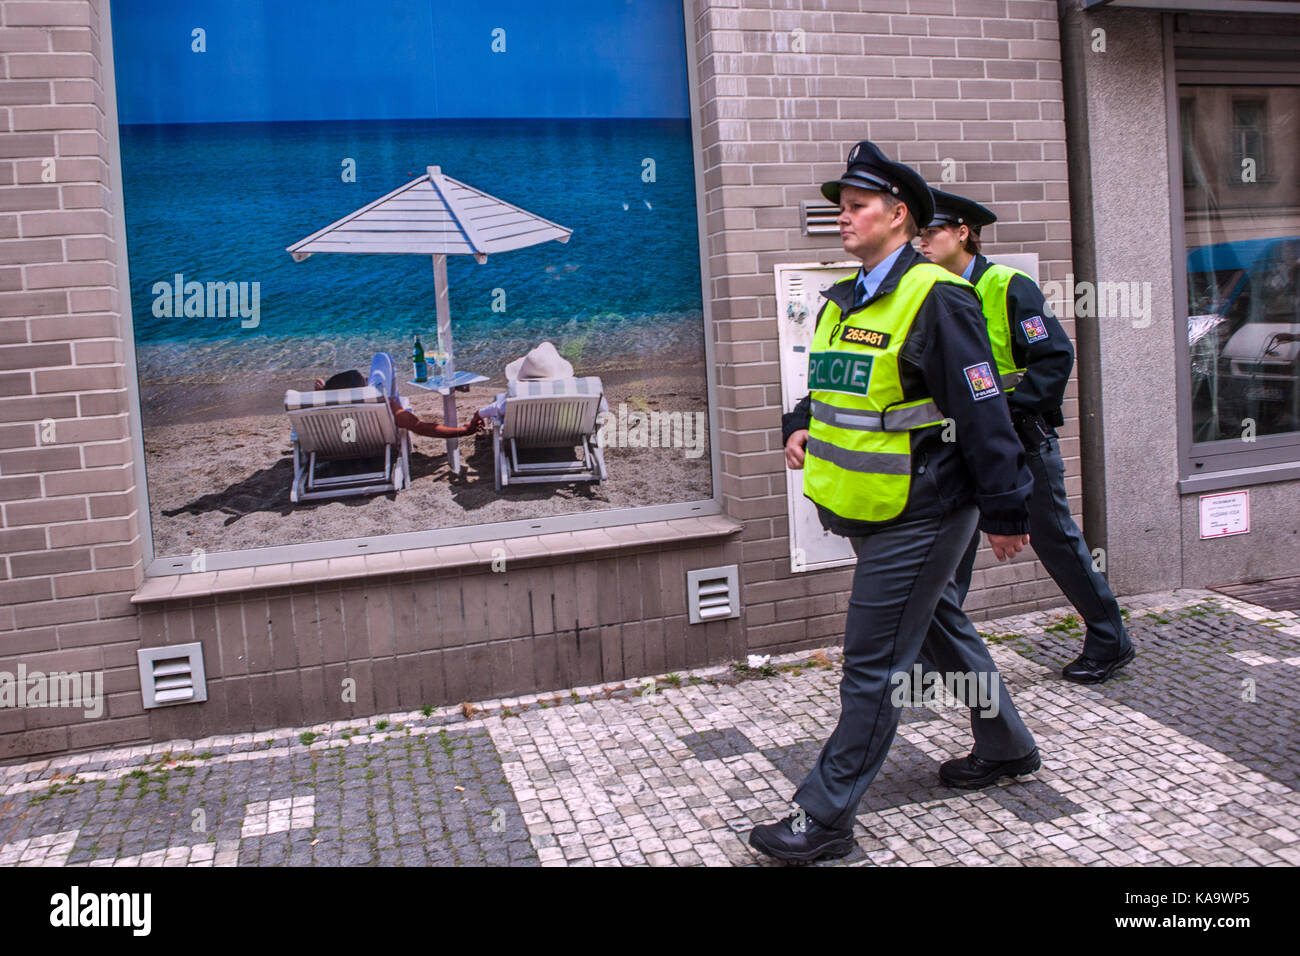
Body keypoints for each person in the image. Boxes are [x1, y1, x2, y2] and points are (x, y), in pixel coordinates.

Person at [747, 142, 1040, 864]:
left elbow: (983, 409)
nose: (841, 218)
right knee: (941, 625)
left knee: (873, 664)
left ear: (898, 214)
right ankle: (1006, 744)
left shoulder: (937, 297)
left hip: (925, 507)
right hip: (867, 505)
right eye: (840, 207)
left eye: (855, 207)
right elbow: (829, 383)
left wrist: (1007, 509)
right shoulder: (844, 298)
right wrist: (798, 423)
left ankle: (826, 817)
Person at [918, 189, 1135, 684]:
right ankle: (932, 659)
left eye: (932, 232)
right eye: (920, 234)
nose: (923, 242)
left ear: (963, 233)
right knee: (951, 552)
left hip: (1018, 440)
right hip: (961, 444)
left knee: (1057, 541)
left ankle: (1110, 638)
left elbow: (1054, 357)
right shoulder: (931, 292)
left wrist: (1004, 414)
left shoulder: (1008, 285)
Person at [314, 352, 483, 439]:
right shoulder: (377, 403)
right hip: (375, 444)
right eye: (364, 381)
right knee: (382, 358)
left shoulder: (322, 412)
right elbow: (420, 427)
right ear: (360, 390)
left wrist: (321, 393)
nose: (367, 380)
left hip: (341, 449)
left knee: (380, 367)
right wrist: (464, 430)